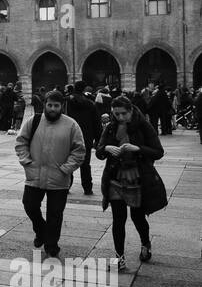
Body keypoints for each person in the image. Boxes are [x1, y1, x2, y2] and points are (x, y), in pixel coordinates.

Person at [95, 94, 167, 271]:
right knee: (118, 219)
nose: (119, 117)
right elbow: (99, 151)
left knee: (137, 216)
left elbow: (158, 151)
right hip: (115, 178)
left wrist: (137, 148)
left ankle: (145, 243)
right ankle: (119, 258)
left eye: (123, 114)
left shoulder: (143, 125)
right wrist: (106, 148)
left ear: (131, 111)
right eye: (116, 114)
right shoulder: (111, 127)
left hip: (137, 178)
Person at [14, 89, 85, 258]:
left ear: (62, 106)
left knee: (55, 213)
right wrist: (27, 162)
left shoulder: (71, 125)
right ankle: (41, 230)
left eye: (56, 105)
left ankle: (51, 244)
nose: (52, 109)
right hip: (34, 175)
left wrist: (66, 169)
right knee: (29, 205)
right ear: (45, 105)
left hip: (59, 177)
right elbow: (21, 142)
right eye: (50, 105)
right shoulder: (34, 121)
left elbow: (79, 150)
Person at [65, 80, 101, 196]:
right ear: (84, 89)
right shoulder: (90, 104)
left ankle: (66, 186)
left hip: (68, 136)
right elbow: (96, 122)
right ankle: (87, 188)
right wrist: (98, 138)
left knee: (68, 161)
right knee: (85, 164)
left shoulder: (67, 102)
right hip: (86, 137)